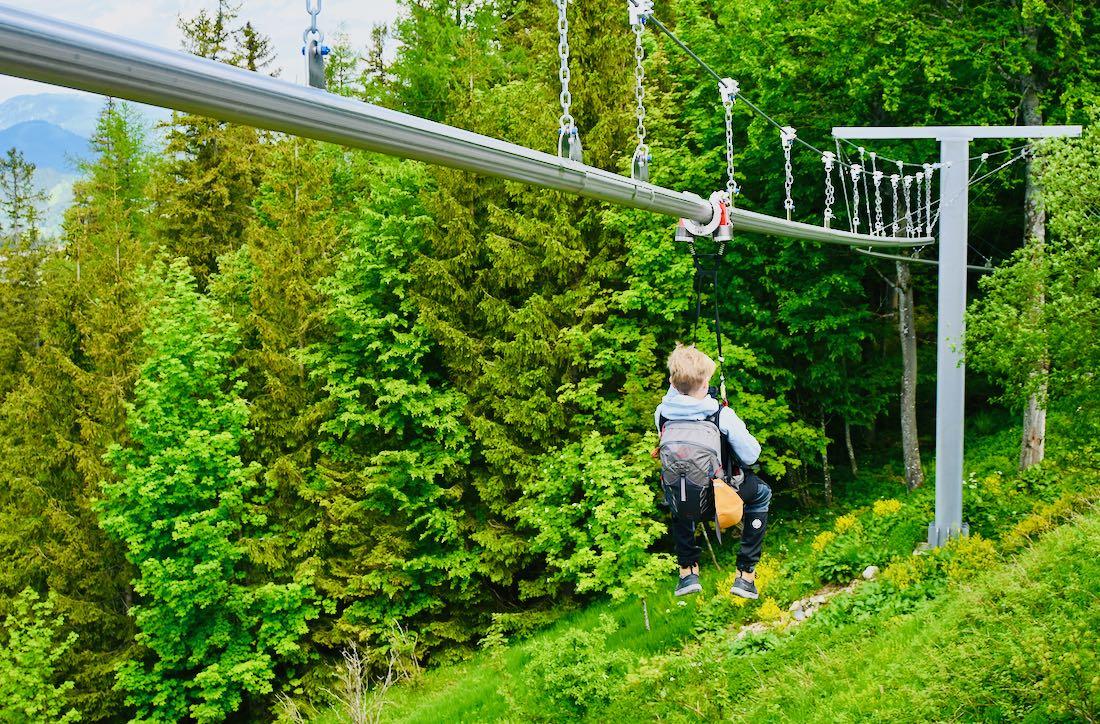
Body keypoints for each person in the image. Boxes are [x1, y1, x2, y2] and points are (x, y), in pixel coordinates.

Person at [654, 343, 771, 599]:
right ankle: (746, 575)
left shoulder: (662, 414)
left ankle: (687, 571)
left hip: (686, 503)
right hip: (719, 499)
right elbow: (751, 455)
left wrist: (683, 365)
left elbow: (673, 397)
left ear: (672, 382)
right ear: (706, 384)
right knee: (762, 493)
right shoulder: (721, 415)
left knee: (678, 488)